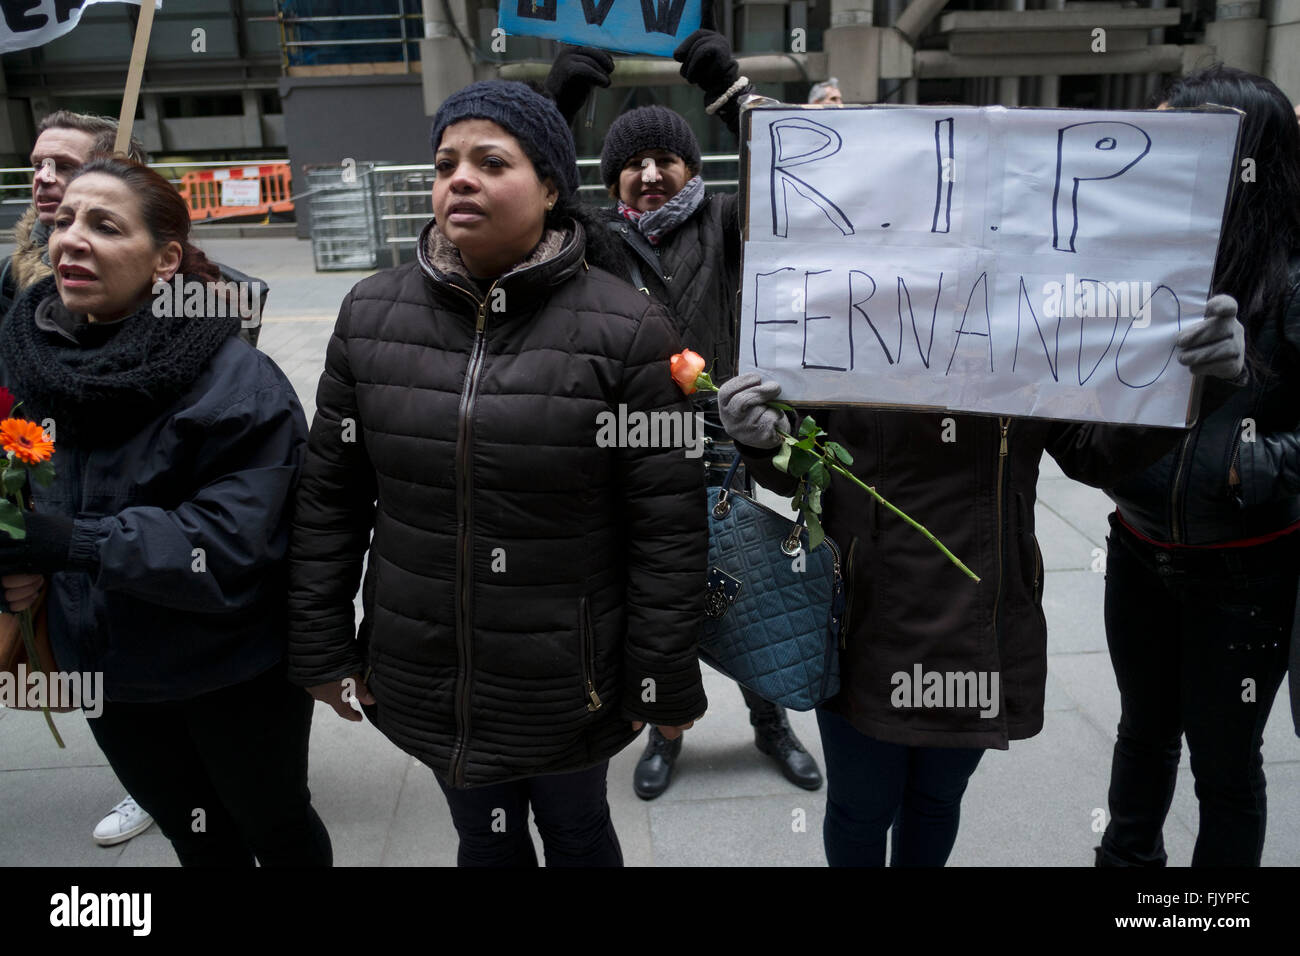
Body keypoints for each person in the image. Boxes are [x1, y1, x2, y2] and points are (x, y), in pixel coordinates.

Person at [286, 80, 707, 867]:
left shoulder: (629, 329)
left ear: (550, 187)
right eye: (446, 163)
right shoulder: (370, 313)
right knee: (484, 836)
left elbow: (669, 530)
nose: (460, 179)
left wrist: (663, 678)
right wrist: (321, 648)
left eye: (490, 161)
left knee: (578, 831)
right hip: (421, 666)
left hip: (569, 676)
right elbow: (329, 498)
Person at [719, 291, 1249, 865]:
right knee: (861, 807)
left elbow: (1092, 451)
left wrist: (1195, 381)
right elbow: (797, 456)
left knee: (937, 798)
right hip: (864, 618)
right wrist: (757, 435)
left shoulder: (1027, 313)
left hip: (985, 617)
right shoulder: (846, 297)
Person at [0, 158, 330, 867]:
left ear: (166, 259)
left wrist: (72, 541)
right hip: (107, 676)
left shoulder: (234, 380)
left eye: (104, 225)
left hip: (229, 673)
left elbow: (234, 542)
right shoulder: (30, 364)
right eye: (64, 223)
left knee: (275, 828)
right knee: (196, 836)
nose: (71, 240)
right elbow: (20, 499)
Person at [545, 28, 824, 799]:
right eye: (632, 161)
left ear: (691, 167)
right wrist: (560, 105)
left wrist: (730, 89)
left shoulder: (729, 225)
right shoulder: (591, 242)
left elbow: (797, 170)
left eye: (664, 157)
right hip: (632, 452)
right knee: (658, 600)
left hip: (730, 443)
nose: (648, 172)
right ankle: (667, 730)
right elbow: (532, 189)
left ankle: (770, 721)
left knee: (747, 584)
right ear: (614, 181)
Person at [1096, 66, 1300, 868]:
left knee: (1225, 763)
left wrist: (1256, 461)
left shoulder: (1289, 276)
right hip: (1138, 547)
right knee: (1142, 733)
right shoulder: (1144, 253)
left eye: (1186, 137)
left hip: (1247, 570)